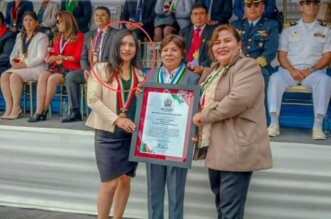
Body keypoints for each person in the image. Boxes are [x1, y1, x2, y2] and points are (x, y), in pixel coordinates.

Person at [192, 25, 272, 219]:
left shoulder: (247, 65)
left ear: (239, 44)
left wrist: (203, 116)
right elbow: (197, 101)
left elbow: (238, 100)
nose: (221, 46)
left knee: (229, 211)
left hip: (235, 146)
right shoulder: (211, 71)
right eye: (216, 43)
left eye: (227, 41)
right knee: (222, 205)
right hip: (215, 147)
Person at [86, 29, 144, 219]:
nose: (127, 48)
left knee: (125, 180)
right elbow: (92, 100)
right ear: (115, 46)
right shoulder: (101, 69)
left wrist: (142, 98)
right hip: (108, 135)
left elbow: (146, 104)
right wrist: (117, 119)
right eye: (123, 44)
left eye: (132, 45)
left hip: (130, 135)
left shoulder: (140, 75)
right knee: (109, 183)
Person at [146, 34, 199, 219]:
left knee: (176, 192)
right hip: (153, 140)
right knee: (153, 189)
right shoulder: (150, 75)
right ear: (161, 54)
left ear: (182, 53)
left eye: (174, 50)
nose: (169, 54)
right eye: (165, 50)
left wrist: (194, 133)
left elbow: (196, 109)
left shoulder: (192, 78)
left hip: (178, 142)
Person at [267, 0, 331, 140]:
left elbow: (327, 56)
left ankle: (318, 126)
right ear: (301, 7)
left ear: (318, 7)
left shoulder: (326, 29)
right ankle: (273, 123)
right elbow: (282, 55)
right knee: (275, 79)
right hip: (290, 71)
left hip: (313, 72)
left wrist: (311, 70)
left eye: (315, 3)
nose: (312, 6)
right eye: (308, 3)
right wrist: (292, 70)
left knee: (325, 80)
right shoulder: (289, 28)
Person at [61, 6, 118, 123]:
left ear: (109, 18)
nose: (99, 17)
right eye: (96, 15)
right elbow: (83, 57)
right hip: (91, 71)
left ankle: (104, 114)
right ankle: (75, 111)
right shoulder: (88, 35)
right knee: (71, 76)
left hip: (107, 71)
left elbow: (117, 56)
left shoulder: (116, 34)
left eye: (103, 15)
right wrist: (85, 69)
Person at [28, 11, 83, 122]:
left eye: (59, 21)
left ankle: (43, 110)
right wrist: (49, 58)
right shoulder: (58, 37)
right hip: (57, 67)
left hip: (71, 68)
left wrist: (60, 57)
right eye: (56, 22)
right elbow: (54, 53)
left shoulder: (79, 36)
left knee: (52, 78)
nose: (57, 24)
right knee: (43, 74)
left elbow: (76, 58)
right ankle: (39, 110)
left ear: (67, 22)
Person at [0, 11, 48, 120]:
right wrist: (12, 61)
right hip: (20, 67)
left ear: (36, 23)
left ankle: (16, 107)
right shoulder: (19, 36)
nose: (28, 23)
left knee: (14, 76)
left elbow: (40, 57)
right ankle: (9, 107)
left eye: (31, 20)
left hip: (35, 68)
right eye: (25, 20)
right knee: (4, 76)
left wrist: (24, 64)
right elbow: (13, 53)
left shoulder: (42, 37)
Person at [231, 0, 279, 92]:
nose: (252, 8)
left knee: (262, 75)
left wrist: (253, 65)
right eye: (249, 5)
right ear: (244, 8)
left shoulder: (271, 25)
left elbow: (270, 51)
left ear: (263, 8)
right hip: (238, 65)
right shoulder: (235, 25)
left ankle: (262, 106)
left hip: (259, 67)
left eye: (256, 5)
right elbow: (230, 49)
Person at [179, 2, 214, 75]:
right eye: (195, 14)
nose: (198, 17)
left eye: (201, 13)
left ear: (207, 16)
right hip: (184, 70)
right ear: (191, 17)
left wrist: (202, 67)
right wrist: (183, 66)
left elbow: (214, 55)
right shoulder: (184, 32)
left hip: (204, 71)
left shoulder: (213, 32)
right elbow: (179, 52)